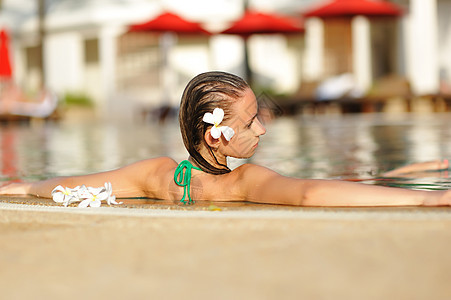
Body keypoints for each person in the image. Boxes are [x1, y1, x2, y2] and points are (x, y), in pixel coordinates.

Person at [0, 71, 450, 207]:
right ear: (214, 137)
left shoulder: (158, 174)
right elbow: (312, 192)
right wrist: (425, 201)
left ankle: (403, 172)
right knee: (368, 180)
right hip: (287, 185)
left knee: (377, 175)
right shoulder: (244, 182)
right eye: (252, 121)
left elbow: (78, 184)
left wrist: (21, 187)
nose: (262, 129)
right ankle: (409, 176)